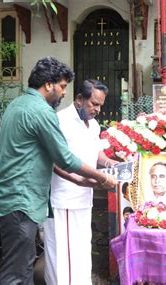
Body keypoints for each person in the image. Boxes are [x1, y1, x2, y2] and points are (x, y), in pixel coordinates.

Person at [0, 57, 117, 285]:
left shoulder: (17, 104)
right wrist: (100, 178)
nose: (63, 92)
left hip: (15, 199)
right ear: (49, 85)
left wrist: (96, 174)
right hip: (22, 200)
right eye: (63, 86)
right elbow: (64, 159)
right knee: (17, 272)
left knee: (21, 267)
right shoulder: (43, 112)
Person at [44, 79, 118, 285]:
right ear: (79, 99)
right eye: (93, 103)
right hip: (64, 198)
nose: (97, 109)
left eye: (100, 105)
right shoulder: (60, 121)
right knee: (63, 255)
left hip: (85, 197)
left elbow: (98, 155)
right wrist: (77, 180)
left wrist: (113, 163)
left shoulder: (93, 124)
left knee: (81, 250)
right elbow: (52, 160)